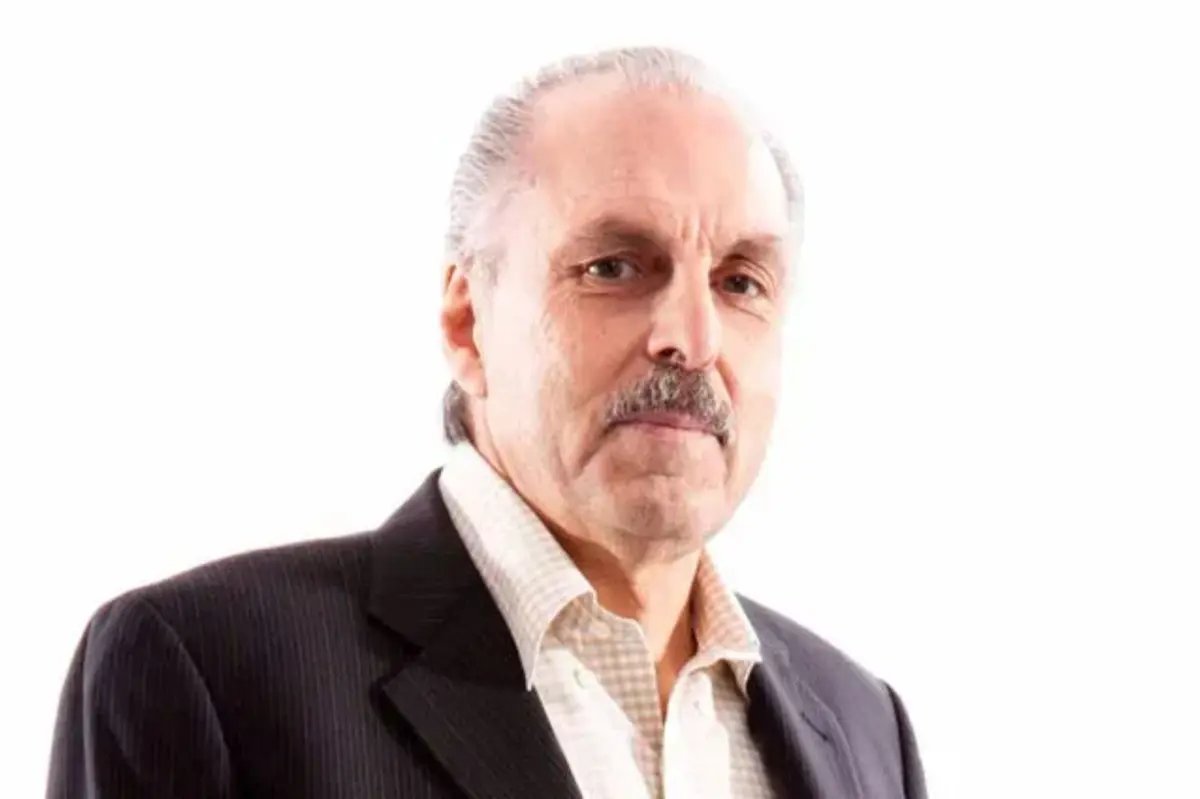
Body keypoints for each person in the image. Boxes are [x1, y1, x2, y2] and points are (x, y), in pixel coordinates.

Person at [46, 46, 926, 798]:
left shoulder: (864, 726)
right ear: (467, 322)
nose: (693, 340)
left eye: (740, 282)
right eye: (614, 267)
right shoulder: (209, 671)